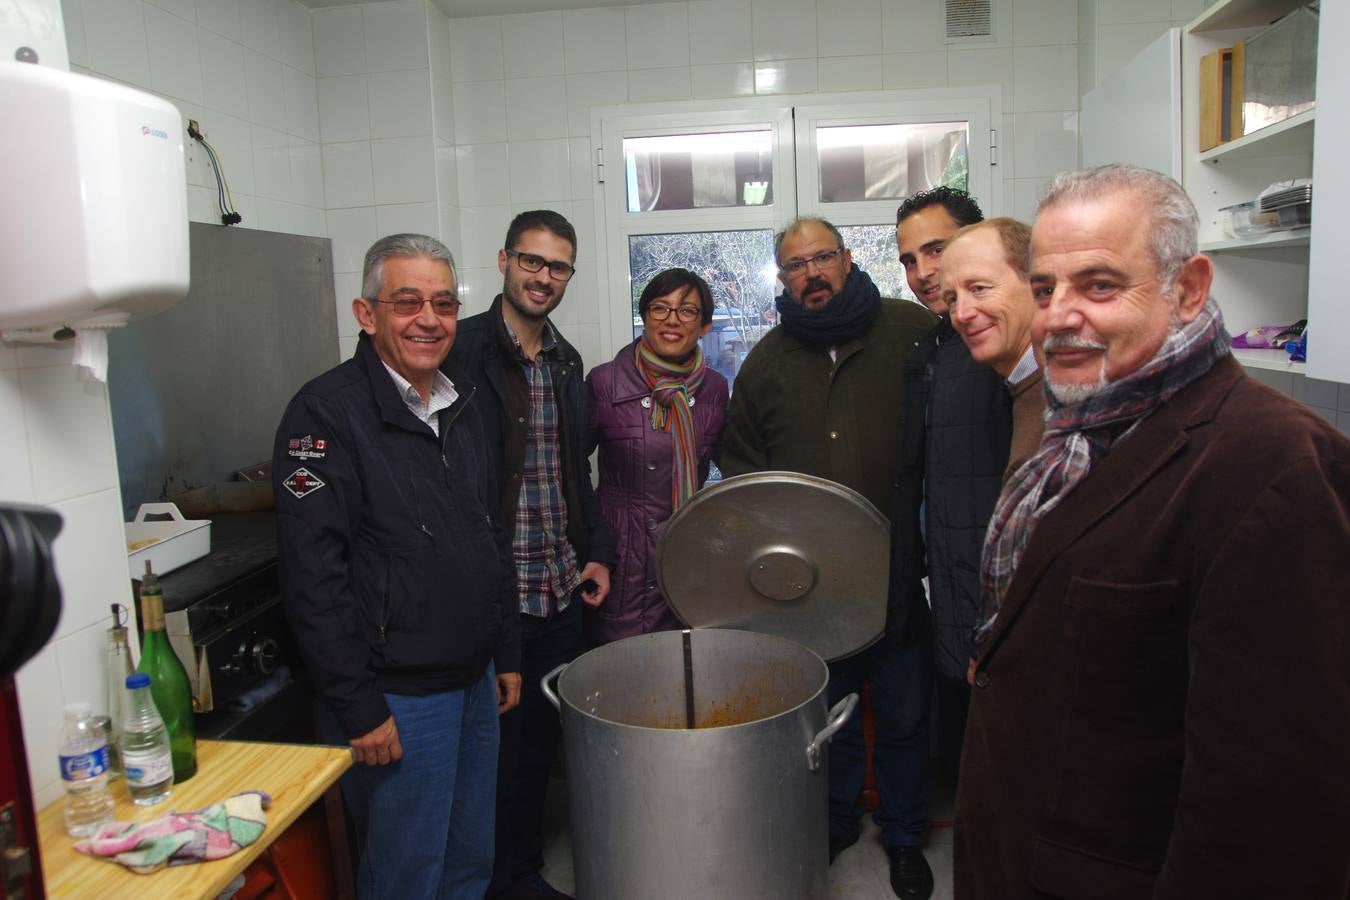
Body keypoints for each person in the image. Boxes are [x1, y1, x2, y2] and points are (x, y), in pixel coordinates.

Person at [956, 164, 1350, 898]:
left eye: (1099, 285)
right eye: (1044, 289)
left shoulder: (1273, 466)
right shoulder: (1080, 428)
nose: (1058, 317)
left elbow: (1276, 812)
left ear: (1189, 288)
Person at [273, 234, 520, 899]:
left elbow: (491, 534)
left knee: (469, 856)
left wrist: (506, 648)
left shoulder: (460, 401)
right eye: (407, 301)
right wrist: (357, 704)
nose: (429, 319)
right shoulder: (324, 415)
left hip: (472, 679)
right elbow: (313, 578)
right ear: (366, 313)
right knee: (407, 870)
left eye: (443, 302)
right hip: (399, 697)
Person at [721, 217, 938, 900]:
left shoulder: (913, 332)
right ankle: (835, 821)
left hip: (903, 573)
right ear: (782, 278)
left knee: (905, 715)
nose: (811, 273)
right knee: (830, 719)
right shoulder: (767, 361)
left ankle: (904, 836)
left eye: (821, 258)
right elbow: (743, 469)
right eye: (795, 265)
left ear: (847, 259)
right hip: (811, 589)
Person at [450, 209, 616, 900]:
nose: (544, 277)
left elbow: (574, 474)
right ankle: (495, 879)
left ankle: (518, 869)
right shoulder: (460, 352)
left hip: (557, 582)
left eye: (558, 267)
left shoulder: (566, 360)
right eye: (532, 261)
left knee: (540, 741)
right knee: (495, 750)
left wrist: (596, 553)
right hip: (493, 591)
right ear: (504, 260)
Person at [891, 189, 1012, 793]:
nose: (922, 273)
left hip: (1003, 600)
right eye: (909, 259)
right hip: (954, 586)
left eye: (935, 250)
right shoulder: (934, 348)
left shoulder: (1011, 342)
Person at [585, 268, 729, 645]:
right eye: (659, 308)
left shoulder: (714, 389)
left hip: (686, 559)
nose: (671, 320)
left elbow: (733, 466)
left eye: (687, 311)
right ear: (645, 316)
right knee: (621, 678)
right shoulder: (603, 383)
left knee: (684, 675)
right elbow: (569, 471)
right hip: (619, 561)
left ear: (705, 326)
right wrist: (592, 545)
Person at [939, 217, 1045, 482]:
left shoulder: (1069, 396)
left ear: (1037, 284)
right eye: (952, 299)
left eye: (979, 289)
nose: (961, 314)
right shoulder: (1026, 388)